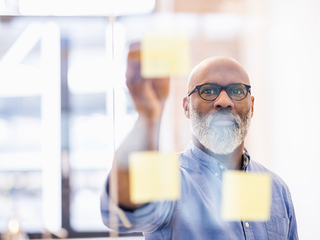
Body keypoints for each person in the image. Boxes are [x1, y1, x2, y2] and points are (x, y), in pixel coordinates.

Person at [100, 44, 299, 240]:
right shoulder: (168, 180)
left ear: (252, 105)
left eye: (237, 91)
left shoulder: (277, 190)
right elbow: (122, 212)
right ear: (186, 107)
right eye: (209, 90)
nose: (223, 101)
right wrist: (148, 116)